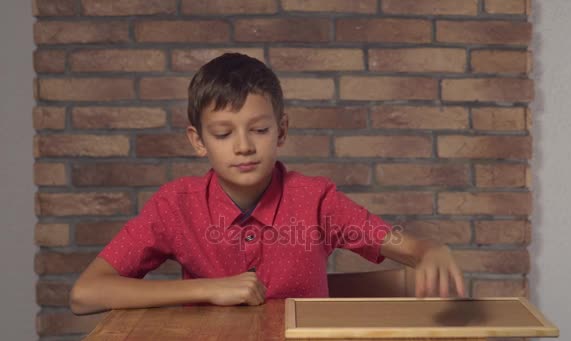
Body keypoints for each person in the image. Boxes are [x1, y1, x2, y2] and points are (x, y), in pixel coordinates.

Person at [69, 53, 465, 315]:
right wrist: (208, 289)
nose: (243, 147)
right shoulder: (176, 205)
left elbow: (413, 250)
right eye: (223, 134)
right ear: (197, 141)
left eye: (258, 129)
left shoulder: (316, 200)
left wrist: (431, 250)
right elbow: (85, 294)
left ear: (281, 131)